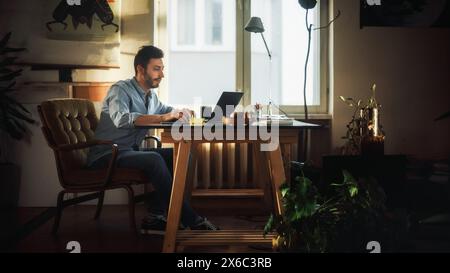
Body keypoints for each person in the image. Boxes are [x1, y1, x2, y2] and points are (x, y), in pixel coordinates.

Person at [87, 45, 218, 235]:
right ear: (140, 69)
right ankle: (191, 219)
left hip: (129, 151)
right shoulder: (120, 90)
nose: (162, 74)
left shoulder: (151, 96)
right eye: (157, 68)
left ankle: (157, 217)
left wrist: (182, 111)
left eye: (162, 69)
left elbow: (166, 110)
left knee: (182, 155)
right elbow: (121, 119)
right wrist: (165, 117)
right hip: (107, 154)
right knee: (155, 159)